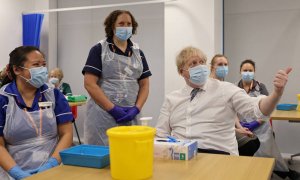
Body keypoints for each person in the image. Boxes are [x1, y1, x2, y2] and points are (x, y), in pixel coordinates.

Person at [155, 46, 291, 155]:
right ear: (181, 72)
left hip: (219, 156)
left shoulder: (225, 89)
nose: (200, 66)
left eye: (202, 62)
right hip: (183, 156)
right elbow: (161, 135)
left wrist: (276, 93)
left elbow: (258, 109)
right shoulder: (172, 99)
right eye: (193, 64)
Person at [0, 46, 73, 180]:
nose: (42, 69)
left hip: (54, 168)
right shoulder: (3, 99)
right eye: (36, 65)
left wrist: (51, 164)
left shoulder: (53, 94)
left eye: (43, 65)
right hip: (13, 171)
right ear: (16, 70)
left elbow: (67, 133)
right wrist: (17, 173)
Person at [82, 10, 152, 146]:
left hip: (131, 114)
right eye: (121, 23)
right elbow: (90, 84)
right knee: (103, 159)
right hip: (103, 115)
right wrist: (113, 109)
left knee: (129, 156)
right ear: (112, 27)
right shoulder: (99, 50)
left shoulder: (138, 53)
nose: (125, 27)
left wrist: (136, 109)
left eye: (129, 24)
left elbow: (145, 85)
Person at [237, 59, 300, 179]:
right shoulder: (234, 87)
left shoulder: (260, 87)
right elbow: (231, 109)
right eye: (245, 70)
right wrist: (239, 124)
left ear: (254, 72)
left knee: (267, 145)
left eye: (250, 70)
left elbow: (267, 108)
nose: (247, 72)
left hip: (260, 124)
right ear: (240, 71)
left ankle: (282, 171)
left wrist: (256, 122)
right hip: (242, 126)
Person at [210, 54, 260, 156]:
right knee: (250, 144)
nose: (223, 67)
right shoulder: (209, 86)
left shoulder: (227, 86)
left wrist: (240, 127)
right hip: (217, 128)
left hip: (231, 125)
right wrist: (236, 129)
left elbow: (232, 110)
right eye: (220, 64)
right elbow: (213, 118)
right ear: (212, 67)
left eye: (225, 64)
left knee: (255, 141)